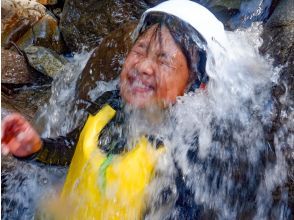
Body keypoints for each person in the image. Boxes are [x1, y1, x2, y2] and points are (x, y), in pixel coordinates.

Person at [2, 0, 227, 219]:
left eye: (164, 60)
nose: (143, 66)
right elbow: (73, 149)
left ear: (197, 86)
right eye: (140, 50)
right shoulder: (110, 106)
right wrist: (36, 148)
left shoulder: (186, 158)